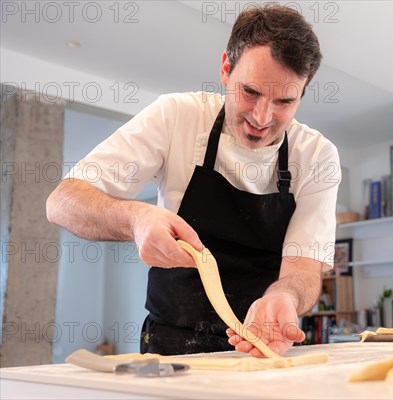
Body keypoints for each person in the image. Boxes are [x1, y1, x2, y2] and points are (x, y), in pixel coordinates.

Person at [46, 5, 340, 358]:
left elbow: (305, 269)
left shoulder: (317, 157)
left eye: (284, 101)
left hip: (263, 348)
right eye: (250, 92)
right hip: (170, 347)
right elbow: (62, 202)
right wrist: (136, 219)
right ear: (225, 69)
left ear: (302, 94)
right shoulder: (176, 117)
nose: (262, 117)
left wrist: (285, 295)